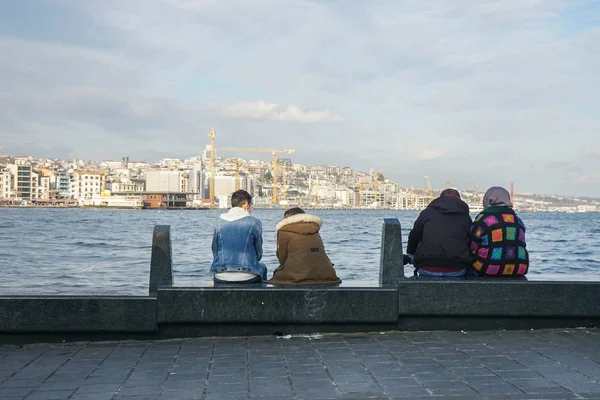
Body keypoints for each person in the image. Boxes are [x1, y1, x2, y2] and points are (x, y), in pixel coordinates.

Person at [405, 188, 473, 277]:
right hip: (457, 268)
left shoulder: (427, 213)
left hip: (426, 266)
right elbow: (471, 241)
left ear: (440, 199)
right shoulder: (465, 217)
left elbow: (414, 236)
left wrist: (411, 253)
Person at [266, 207, 341, 285]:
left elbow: (282, 257)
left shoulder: (284, 231)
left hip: (298, 276)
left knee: (278, 273)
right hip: (326, 273)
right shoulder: (314, 230)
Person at [468, 186, 529, 276]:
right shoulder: (518, 220)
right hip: (519, 268)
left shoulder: (484, 219)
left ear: (487, 199)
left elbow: (472, 245)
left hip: (488, 268)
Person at [210, 190, 267, 283]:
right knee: (262, 267)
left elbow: (215, 250)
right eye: (250, 205)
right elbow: (259, 254)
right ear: (245, 203)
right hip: (248, 276)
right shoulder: (254, 222)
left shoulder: (218, 222)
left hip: (220, 275)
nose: (251, 208)